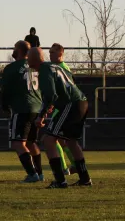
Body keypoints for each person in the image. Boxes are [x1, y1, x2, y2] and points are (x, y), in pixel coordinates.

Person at [28, 47, 93, 188]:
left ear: (33, 59)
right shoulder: (54, 66)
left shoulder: (44, 71)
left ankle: (60, 180)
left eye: (28, 57)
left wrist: (41, 115)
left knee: (49, 140)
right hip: (81, 101)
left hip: (71, 104)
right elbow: (69, 83)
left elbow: (50, 95)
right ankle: (85, 178)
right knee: (71, 141)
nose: (27, 60)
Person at [1, 40, 44, 182]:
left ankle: (32, 174)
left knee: (18, 143)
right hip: (37, 107)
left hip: (22, 108)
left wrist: (5, 107)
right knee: (31, 142)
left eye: (14, 48)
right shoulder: (36, 67)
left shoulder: (11, 68)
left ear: (18, 50)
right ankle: (40, 173)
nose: (13, 51)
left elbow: (5, 91)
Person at [49, 43, 77, 175]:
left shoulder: (60, 68)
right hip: (63, 106)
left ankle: (63, 168)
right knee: (62, 140)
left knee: (51, 138)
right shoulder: (62, 67)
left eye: (53, 52)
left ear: (60, 54)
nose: (50, 54)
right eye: (49, 52)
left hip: (62, 107)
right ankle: (75, 164)